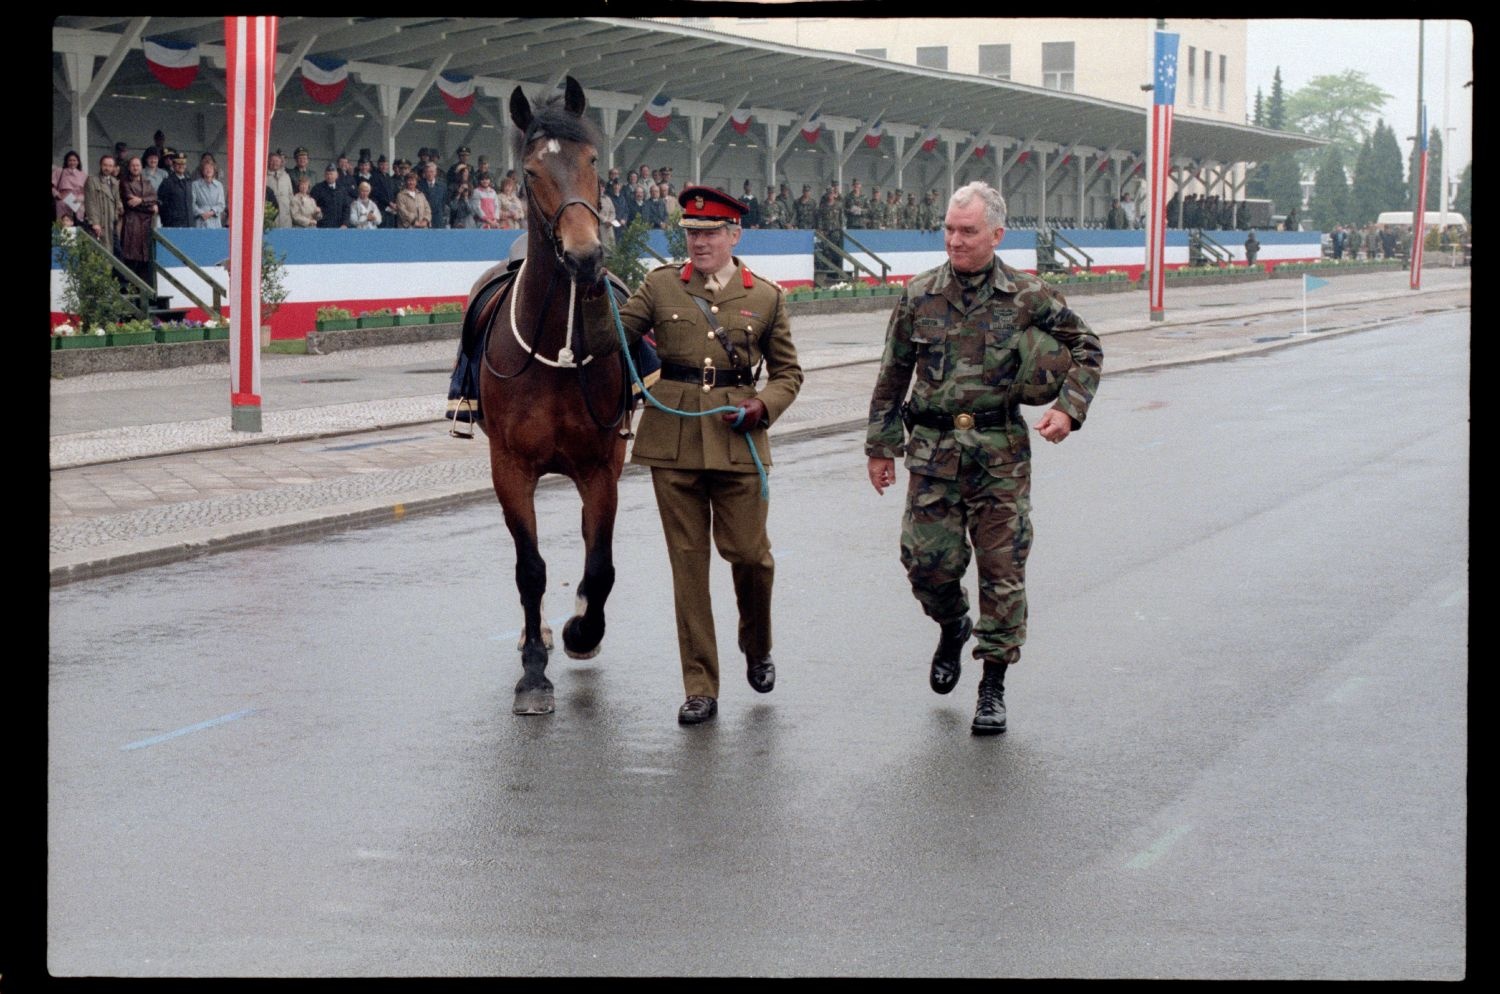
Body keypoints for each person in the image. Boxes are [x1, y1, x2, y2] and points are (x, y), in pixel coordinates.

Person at [864, 181, 1102, 735]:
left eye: (967, 231)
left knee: (1003, 572)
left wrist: (1068, 408)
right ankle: (951, 623)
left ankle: (992, 683)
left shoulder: (1028, 296)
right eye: (949, 229)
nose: (955, 240)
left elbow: (1087, 347)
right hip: (933, 453)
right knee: (925, 566)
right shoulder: (919, 294)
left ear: (996, 234)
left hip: (1000, 457)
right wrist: (880, 445)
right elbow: (892, 373)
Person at [585, 186, 803, 725]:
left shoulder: (767, 296)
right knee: (689, 569)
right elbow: (607, 338)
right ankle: (700, 686)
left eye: (710, 233)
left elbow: (789, 374)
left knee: (751, 558)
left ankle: (757, 644)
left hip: (738, 439)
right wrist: (588, 290)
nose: (700, 242)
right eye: (691, 233)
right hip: (674, 442)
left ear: (734, 235)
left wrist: (761, 407)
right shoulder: (660, 286)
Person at [117, 155, 158, 288]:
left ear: (141, 167)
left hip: (146, 225)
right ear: (129, 167)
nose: (135, 168)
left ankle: (143, 290)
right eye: (133, 165)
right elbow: (130, 203)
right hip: (132, 223)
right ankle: (128, 288)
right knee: (131, 257)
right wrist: (149, 206)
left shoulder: (147, 183)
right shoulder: (124, 183)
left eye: (138, 165)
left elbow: (154, 197)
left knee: (145, 259)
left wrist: (141, 200)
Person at [83, 153, 122, 249]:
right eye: (105, 165)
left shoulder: (115, 182)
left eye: (110, 166)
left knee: (116, 252)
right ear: (101, 165)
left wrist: (119, 211)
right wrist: (95, 222)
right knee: (101, 250)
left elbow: (117, 200)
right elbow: (90, 203)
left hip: (112, 222)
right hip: (100, 221)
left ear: (114, 167)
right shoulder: (92, 180)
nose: (107, 168)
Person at [156, 151, 193, 228]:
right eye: (178, 164)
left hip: (188, 223)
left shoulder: (188, 181)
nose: (181, 166)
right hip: (173, 224)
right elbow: (161, 203)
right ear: (173, 165)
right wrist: (167, 220)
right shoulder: (167, 182)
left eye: (183, 164)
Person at [52, 150, 88, 224]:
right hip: (63, 202)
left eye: (74, 160)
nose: (72, 162)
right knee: (62, 225)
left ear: (78, 162)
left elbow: (87, 191)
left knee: (77, 224)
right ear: (66, 161)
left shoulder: (83, 175)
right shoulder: (59, 171)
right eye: (70, 160)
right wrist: (56, 193)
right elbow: (52, 186)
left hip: (77, 203)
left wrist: (80, 199)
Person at [310, 164, 350, 229]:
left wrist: (345, 224)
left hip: (339, 227)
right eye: (327, 174)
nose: (329, 176)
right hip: (322, 226)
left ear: (336, 175)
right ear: (324, 175)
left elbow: (346, 208)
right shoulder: (317, 188)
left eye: (331, 174)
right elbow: (311, 205)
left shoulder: (342, 189)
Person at [191, 159, 226, 228]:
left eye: (210, 168)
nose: (208, 170)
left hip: (215, 220)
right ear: (202, 170)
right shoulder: (195, 185)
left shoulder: (219, 185)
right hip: (200, 219)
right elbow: (192, 203)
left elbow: (221, 204)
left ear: (214, 170)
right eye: (206, 168)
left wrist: (211, 212)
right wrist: (201, 213)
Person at [266, 149, 294, 229]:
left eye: (277, 161)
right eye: (272, 161)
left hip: (286, 216)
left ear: (281, 163)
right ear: (268, 162)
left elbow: (291, 195)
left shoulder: (286, 176)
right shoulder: (263, 176)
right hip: (270, 215)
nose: (275, 163)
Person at [418, 162, 448, 229]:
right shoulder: (419, 185)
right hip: (424, 218)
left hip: (438, 218)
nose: (429, 174)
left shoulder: (442, 186)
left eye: (431, 171)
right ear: (424, 173)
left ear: (435, 172)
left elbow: (444, 201)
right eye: (427, 172)